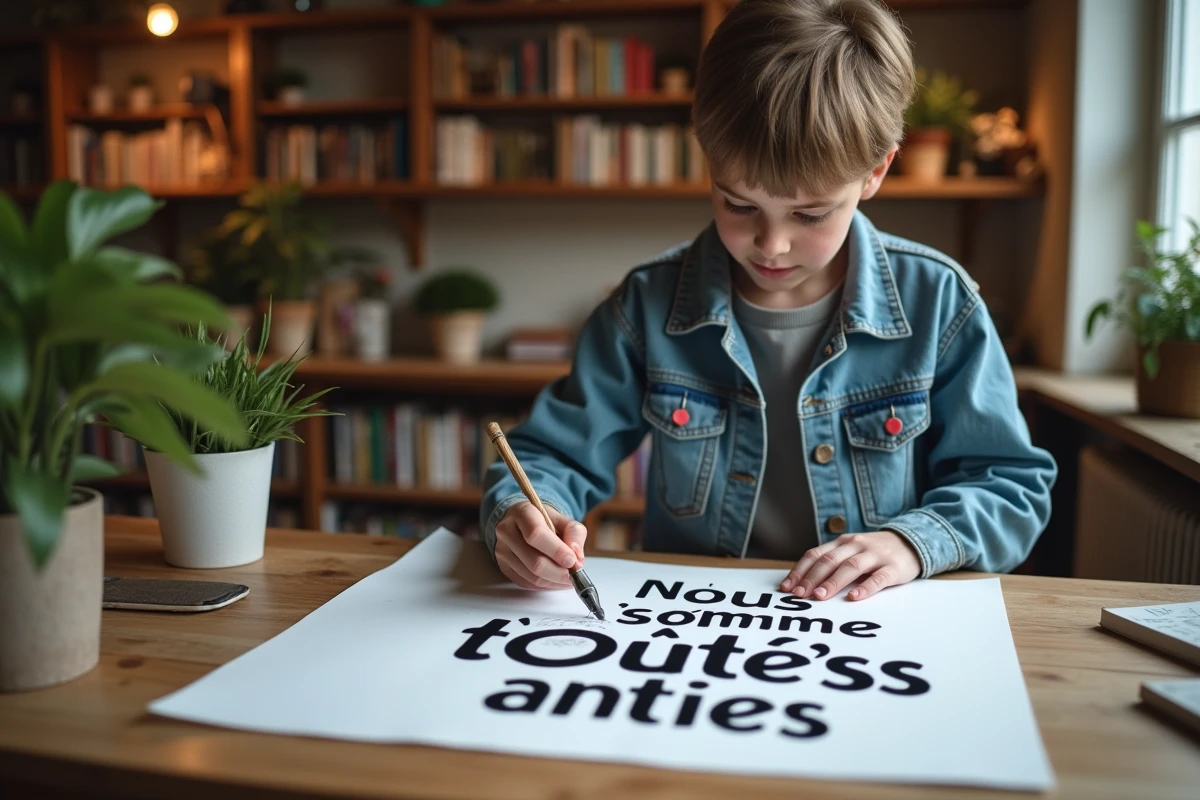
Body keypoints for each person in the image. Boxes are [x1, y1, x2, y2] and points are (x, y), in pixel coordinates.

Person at [479, 0, 1056, 603]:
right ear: (707, 159)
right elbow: (551, 453)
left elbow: (1009, 487)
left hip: (873, 632)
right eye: (738, 204)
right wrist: (527, 509)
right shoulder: (646, 305)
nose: (772, 245)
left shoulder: (939, 301)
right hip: (697, 628)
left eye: (810, 214)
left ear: (876, 173)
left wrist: (913, 543)